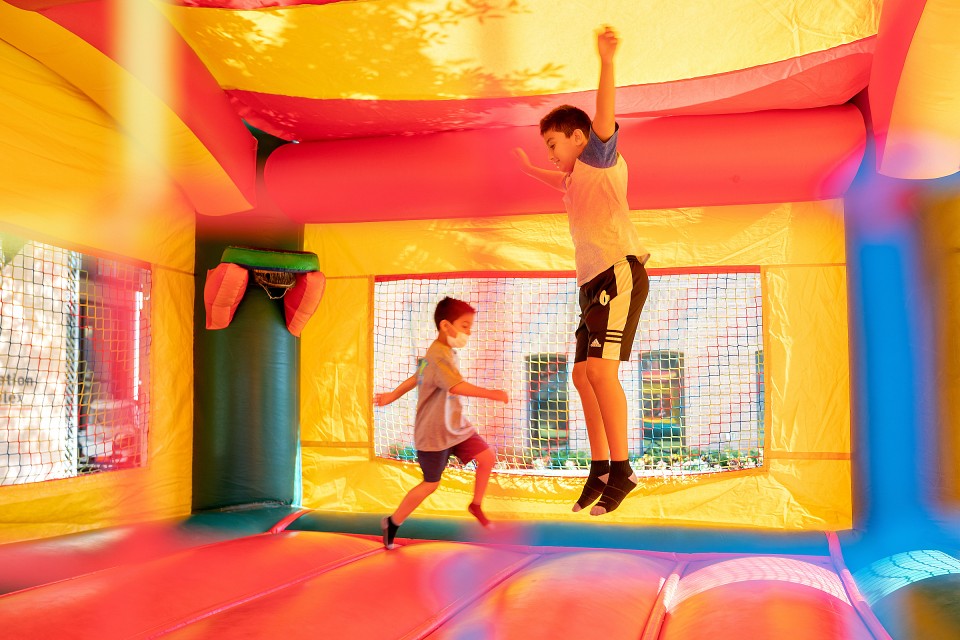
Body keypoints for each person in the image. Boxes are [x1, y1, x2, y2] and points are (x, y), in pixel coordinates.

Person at [515, 26, 650, 515]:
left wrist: (607, 62)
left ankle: (622, 469)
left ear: (580, 138)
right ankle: (598, 466)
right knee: (579, 375)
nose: (553, 154)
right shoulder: (574, 180)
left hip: (619, 274)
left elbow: (604, 117)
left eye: (555, 144)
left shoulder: (599, 160)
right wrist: (531, 167)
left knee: (600, 371)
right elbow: (556, 175)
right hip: (592, 285)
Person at [375, 296, 509, 549]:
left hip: (455, 426)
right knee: (430, 484)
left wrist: (393, 395)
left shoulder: (442, 350)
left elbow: (417, 376)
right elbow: (456, 387)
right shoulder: (438, 355)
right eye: (465, 326)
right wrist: (492, 393)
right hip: (433, 432)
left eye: (470, 326)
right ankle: (392, 522)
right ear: (446, 326)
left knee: (487, 456)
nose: (469, 332)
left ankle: (475, 505)